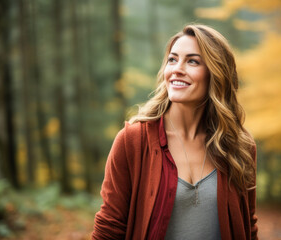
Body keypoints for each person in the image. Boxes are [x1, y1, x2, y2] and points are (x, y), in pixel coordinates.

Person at [92, 24, 258, 240]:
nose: (177, 69)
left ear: (216, 74)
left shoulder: (239, 146)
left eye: (192, 61)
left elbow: (248, 225)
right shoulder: (133, 141)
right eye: (172, 59)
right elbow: (109, 228)